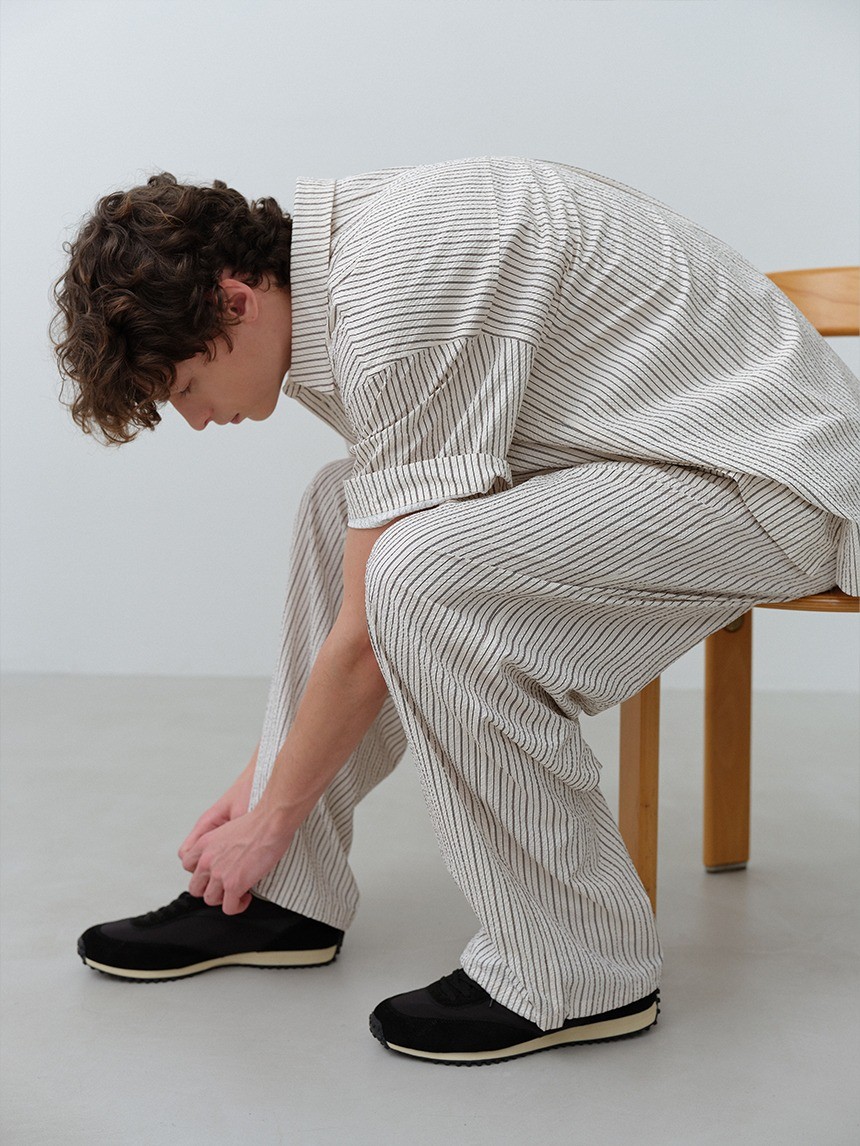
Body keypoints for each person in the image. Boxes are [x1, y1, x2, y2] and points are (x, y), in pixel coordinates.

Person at [52, 156, 860, 1066]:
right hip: (655, 451)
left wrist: (268, 810)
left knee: (418, 573)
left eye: (184, 390)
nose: (197, 420)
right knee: (340, 510)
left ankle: (578, 967)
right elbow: (366, 579)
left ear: (234, 303)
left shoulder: (391, 305)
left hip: (771, 479)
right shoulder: (339, 275)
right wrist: (260, 787)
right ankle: (277, 896)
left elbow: (367, 636)